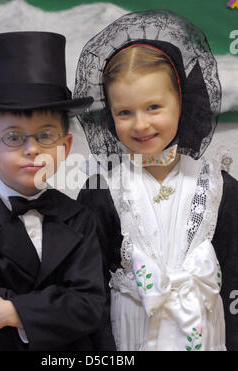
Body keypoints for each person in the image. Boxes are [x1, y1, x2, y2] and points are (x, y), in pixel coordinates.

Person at [74, 9, 238, 351]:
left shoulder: (222, 187)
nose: (141, 125)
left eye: (153, 107)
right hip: (129, 338)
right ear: (109, 116)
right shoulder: (100, 192)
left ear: (183, 103)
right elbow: (89, 290)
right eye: (125, 112)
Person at [0, 31, 114, 351]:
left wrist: (12, 311)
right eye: (14, 138)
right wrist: (55, 311)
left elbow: (89, 307)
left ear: (65, 147)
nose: (32, 149)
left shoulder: (80, 217)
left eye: (46, 136)